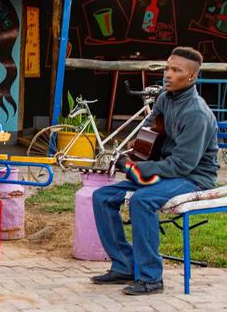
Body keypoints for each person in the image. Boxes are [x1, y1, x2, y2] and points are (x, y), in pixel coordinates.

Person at [91, 46, 219, 295]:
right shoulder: (164, 99)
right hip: (167, 170)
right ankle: (125, 264)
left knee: (142, 200)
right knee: (102, 197)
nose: (167, 74)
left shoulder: (196, 114)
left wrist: (137, 167)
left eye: (176, 70)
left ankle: (151, 278)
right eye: (166, 68)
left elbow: (183, 165)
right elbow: (148, 131)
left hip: (194, 178)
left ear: (191, 77)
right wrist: (131, 152)